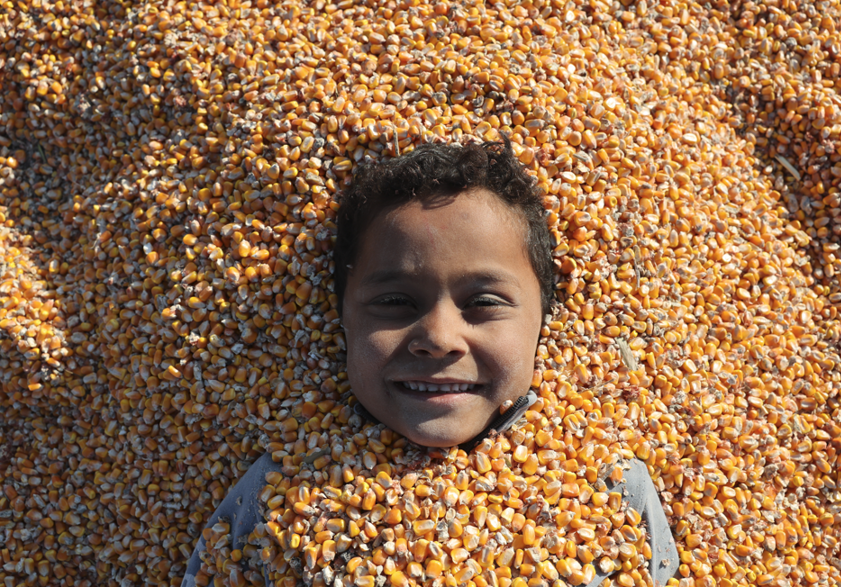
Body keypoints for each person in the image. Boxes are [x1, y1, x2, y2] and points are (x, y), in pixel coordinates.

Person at [184, 139, 679, 587]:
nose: (439, 339)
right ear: (341, 319)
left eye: (483, 302)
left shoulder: (612, 489)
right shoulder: (279, 491)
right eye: (396, 302)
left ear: (544, 320)